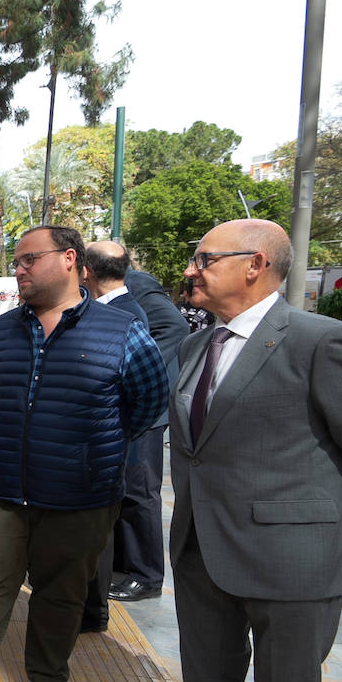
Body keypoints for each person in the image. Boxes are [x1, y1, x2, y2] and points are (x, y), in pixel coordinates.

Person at [143, 219, 342, 682]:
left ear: (256, 264)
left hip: (295, 557)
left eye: (203, 259)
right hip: (202, 543)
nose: (190, 270)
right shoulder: (197, 347)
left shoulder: (321, 343)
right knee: (208, 666)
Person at [0, 225, 169, 682]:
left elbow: (147, 405)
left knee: (61, 592)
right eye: (16, 261)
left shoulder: (121, 330)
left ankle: (48, 678)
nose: (18, 270)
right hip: (1, 488)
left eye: (28, 260)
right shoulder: (1, 333)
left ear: (69, 260)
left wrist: (87, 450)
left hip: (80, 495)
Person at [76, 242, 152, 633]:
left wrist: (113, 432)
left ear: (85, 271)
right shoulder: (105, 309)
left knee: (98, 530)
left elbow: (148, 394)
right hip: (84, 447)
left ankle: (93, 609)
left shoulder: (125, 316)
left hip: (104, 448)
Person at [108, 255, 190, 604]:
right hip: (120, 411)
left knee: (140, 492)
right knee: (121, 489)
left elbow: (175, 327)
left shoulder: (136, 283)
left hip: (145, 409)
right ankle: (122, 564)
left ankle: (146, 575)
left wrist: (137, 362)